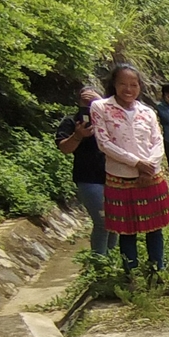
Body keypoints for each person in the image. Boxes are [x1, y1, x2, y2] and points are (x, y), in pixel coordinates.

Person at [90, 64, 169, 273]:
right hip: (121, 177)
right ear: (114, 85)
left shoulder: (147, 112)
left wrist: (150, 166)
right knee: (127, 231)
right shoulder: (101, 108)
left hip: (151, 175)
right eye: (123, 84)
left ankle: (158, 269)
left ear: (140, 86)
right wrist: (136, 163)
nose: (128, 89)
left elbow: (157, 141)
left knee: (155, 229)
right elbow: (104, 143)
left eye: (133, 84)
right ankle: (131, 273)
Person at [55, 86, 117, 255]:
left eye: (93, 100)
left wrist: (100, 105)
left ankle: (111, 261)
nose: (89, 104)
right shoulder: (71, 121)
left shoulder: (109, 118)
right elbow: (64, 148)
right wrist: (78, 135)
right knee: (103, 221)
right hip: (88, 179)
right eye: (85, 101)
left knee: (116, 223)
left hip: (114, 176)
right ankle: (99, 264)